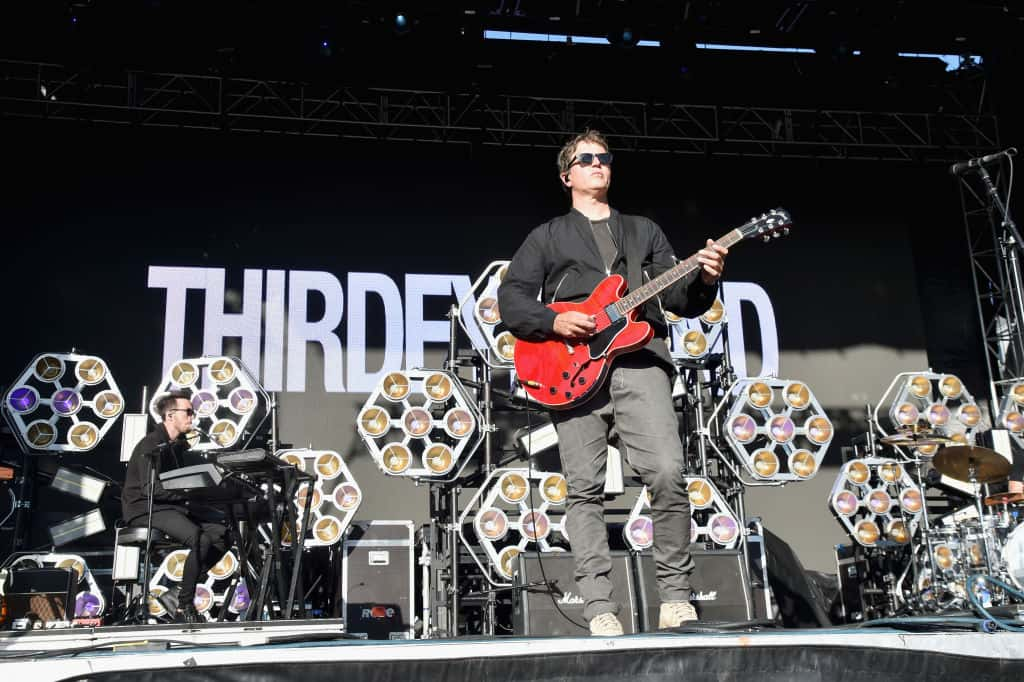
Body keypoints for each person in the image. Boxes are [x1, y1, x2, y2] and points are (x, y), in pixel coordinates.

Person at [498, 130, 728, 636]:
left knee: (668, 473)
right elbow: (511, 298)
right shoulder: (548, 235)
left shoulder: (643, 230)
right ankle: (598, 603)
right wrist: (554, 322)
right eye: (587, 159)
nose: (599, 164)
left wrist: (707, 277)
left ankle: (675, 598)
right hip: (573, 370)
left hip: (640, 362)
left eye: (605, 158)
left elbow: (683, 299)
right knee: (584, 489)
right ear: (568, 176)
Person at [123, 390, 228, 623]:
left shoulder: (176, 446)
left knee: (222, 534)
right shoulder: (151, 445)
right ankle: (183, 606)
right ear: (170, 416)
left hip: (170, 506)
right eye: (188, 412)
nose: (193, 417)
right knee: (198, 537)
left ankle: (181, 590)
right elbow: (150, 490)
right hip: (144, 508)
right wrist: (186, 495)